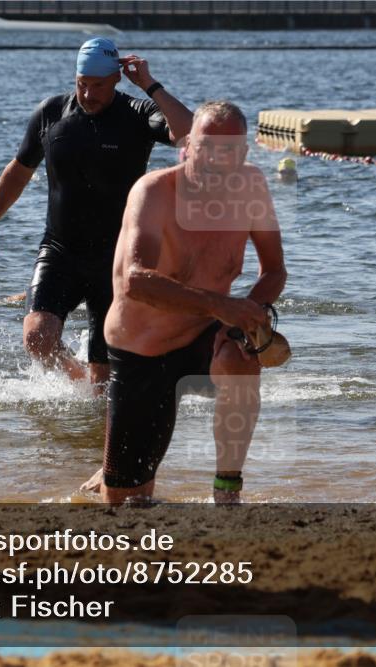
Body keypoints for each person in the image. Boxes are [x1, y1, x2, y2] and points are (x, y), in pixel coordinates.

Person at [82, 101, 287, 505]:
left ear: (244, 153)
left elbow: (275, 271)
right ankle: (111, 473)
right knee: (126, 504)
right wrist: (221, 307)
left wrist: (241, 317)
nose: (217, 159)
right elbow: (135, 281)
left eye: (229, 150)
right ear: (187, 146)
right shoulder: (155, 192)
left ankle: (227, 491)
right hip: (143, 349)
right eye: (207, 147)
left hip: (203, 334)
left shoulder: (251, 187)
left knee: (241, 361)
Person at [0, 37, 193, 389]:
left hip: (116, 258)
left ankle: (94, 393)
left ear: (117, 78)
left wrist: (150, 84)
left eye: (98, 86)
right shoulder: (51, 113)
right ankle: (79, 382)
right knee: (37, 339)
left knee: (104, 382)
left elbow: (191, 135)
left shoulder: (138, 113)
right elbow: (18, 171)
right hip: (60, 250)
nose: (88, 94)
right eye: (82, 84)